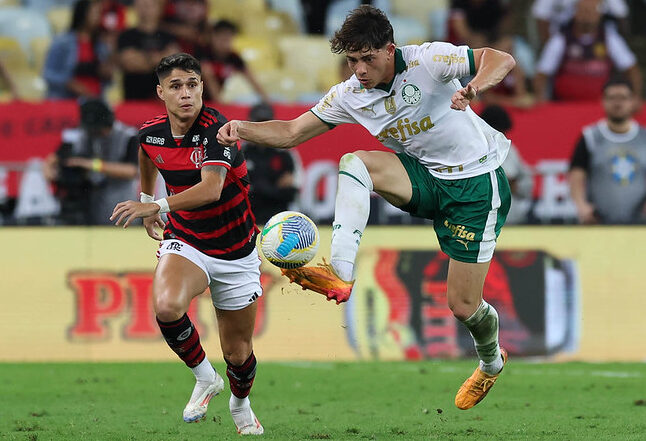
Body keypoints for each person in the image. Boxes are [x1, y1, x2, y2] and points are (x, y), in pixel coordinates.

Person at [218, 5, 515, 410]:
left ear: (390, 50)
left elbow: (500, 58)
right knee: (355, 161)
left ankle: (491, 362)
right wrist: (242, 129)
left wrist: (475, 87)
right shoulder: (350, 94)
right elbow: (290, 132)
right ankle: (340, 272)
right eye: (352, 60)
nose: (359, 69)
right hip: (425, 177)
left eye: (368, 58)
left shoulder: (428, 59)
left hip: (476, 185)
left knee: (462, 305)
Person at [109, 53, 263, 435]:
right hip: (188, 239)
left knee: (238, 354)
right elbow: (147, 153)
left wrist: (156, 203)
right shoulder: (150, 133)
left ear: (202, 88)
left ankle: (240, 402)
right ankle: (204, 377)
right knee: (166, 305)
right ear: (161, 92)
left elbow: (211, 190)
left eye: (192, 84)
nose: (185, 93)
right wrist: (147, 203)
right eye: (176, 86)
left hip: (236, 248)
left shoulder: (218, 129)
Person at [42, 99, 138, 225]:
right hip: (91, 202)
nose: (98, 133)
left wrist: (91, 164)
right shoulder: (82, 135)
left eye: (101, 129)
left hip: (121, 201)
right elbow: (54, 158)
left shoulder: (129, 136)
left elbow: (132, 171)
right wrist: (49, 170)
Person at [568, 78, 646, 224]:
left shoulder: (644, 137)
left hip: (641, 225)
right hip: (599, 224)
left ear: (633, 102)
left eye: (623, 98)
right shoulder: (590, 137)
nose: (618, 103)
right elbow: (576, 176)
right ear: (602, 101)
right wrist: (581, 206)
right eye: (612, 98)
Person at [533, 0, 641, 103]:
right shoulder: (560, 39)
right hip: (565, 107)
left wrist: (636, 97)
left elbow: (632, 70)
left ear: (599, 15)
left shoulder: (610, 38)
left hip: (601, 108)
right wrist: (540, 99)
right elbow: (542, 74)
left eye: (591, 11)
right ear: (574, 13)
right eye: (583, 11)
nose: (587, 16)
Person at [43, 0, 112, 100]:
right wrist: (69, 83)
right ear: (83, 13)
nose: (98, 17)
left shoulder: (101, 46)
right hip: (67, 101)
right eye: (95, 13)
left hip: (96, 102)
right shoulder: (63, 42)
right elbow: (48, 74)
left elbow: (108, 82)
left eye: (99, 13)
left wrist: (107, 74)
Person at [242, 103, 299, 224]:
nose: (262, 128)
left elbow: (292, 188)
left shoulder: (285, 153)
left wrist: (256, 188)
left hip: (280, 219)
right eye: (258, 124)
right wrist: (272, 189)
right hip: (247, 218)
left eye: (266, 124)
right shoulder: (240, 152)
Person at [480, 105, 534, 224]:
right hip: (479, 219)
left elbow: (528, 183)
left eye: (502, 132)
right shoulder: (471, 150)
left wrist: (516, 186)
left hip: (510, 220)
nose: (499, 136)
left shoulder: (510, 150)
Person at [116, 0, 180, 100]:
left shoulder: (169, 36)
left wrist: (144, 59)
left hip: (163, 102)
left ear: (159, 8)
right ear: (135, 8)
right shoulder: (126, 36)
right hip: (134, 100)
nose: (146, 9)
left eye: (150, 5)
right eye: (142, 5)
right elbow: (129, 63)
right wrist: (161, 59)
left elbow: (175, 65)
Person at [200, 20, 269, 103]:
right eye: (222, 39)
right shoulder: (203, 53)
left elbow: (251, 78)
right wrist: (219, 103)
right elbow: (208, 77)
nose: (224, 44)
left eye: (228, 39)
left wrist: (266, 99)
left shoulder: (234, 57)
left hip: (213, 102)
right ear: (213, 37)